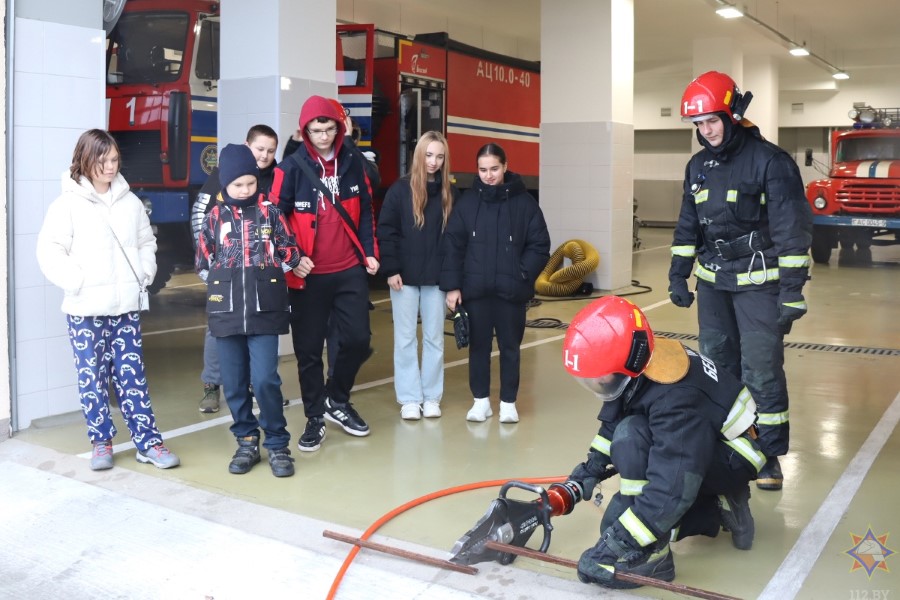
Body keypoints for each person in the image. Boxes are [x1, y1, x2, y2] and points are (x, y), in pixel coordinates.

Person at [669, 71, 812, 491]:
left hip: (760, 285)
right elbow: (687, 226)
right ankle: (727, 445)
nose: (706, 131)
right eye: (698, 123)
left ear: (732, 115)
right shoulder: (698, 166)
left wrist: (792, 292)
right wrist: (678, 274)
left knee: (761, 370)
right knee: (717, 368)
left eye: (712, 120)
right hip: (714, 285)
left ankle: (767, 455)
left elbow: (792, 231)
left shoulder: (771, 162)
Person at [562, 296, 763, 590]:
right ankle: (707, 507)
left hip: (735, 456)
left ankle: (659, 554)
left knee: (636, 446)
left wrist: (619, 543)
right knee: (628, 435)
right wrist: (589, 470)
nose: (598, 384)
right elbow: (614, 421)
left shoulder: (677, 399)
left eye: (601, 377)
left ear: (630, 361)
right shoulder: (643, 365)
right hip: (707, 442)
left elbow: (672, 485)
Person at [36, 128, 180, 471]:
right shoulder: (66, 205)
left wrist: (144, 273)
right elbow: (49, 251)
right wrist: (77, 282)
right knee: (92, 379)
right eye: (102, 161)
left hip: (125, 308)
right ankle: (101, 442)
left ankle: (149, 443)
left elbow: (147, 242)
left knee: (133, 379)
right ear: (85, 161)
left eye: (114, 159)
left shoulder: (131, 203)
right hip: (85, 310)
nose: (110, 167)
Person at [271, 95, 380, 452]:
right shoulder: (290, 168)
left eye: (329, 129)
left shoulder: (354, 163)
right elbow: (273, 219)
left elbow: (366, 210)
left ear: (339, 127)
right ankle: (315, 417)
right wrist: (292, 257)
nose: (322, 136)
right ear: (304, 131)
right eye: (316, 130)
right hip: (308, 276)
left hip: (348, 269)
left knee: (358, 340)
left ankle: (337, 398)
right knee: (308, 351)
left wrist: (369, 252)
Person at [196, 144, 302, 477]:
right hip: (225, 312)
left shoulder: (271, 213)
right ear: (225, 185)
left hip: (264, 311)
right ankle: (246, 440)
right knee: (234, 383)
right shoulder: (214, 217)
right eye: (237, 185)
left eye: (250, 183)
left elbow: (291, 253)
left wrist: (268, 276)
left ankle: (277, 443)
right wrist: (226, 283)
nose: (245, 190)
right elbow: (203, 263)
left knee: (265, 379)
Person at [440, 143, 550, 423]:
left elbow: (539, 245)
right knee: (478, 348)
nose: (488, 175)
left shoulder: (525, 203)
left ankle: (508, 403)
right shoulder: (467, 203)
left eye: (494, 169)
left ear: (505, 166)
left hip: (510, 293)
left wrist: (521, 274)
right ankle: (480, 402)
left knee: (510, 348)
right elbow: (453, 245)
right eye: (482, 170)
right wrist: (453, 286)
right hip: (475, 292)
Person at [191, 125, 280, 413]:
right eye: (259, 149)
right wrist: (212, 268)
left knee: (259, 326)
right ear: (247, 146)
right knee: (219, 328)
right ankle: (212, 384)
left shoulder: (275, 176)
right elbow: (201, 217)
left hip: (259, 274)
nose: (264, 155)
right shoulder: (225, 174)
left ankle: (257, 386)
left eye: (270, 150)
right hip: (224, 271)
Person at [378, 131, 458, 420]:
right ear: (419, 155)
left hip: (437, 279)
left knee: (435, 339)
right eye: (429, 155)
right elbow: (386, 231)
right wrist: (391, 269)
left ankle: (432, 396)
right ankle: (410, 398)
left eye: (439, 156)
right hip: (404, 278)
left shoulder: (450, 194)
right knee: (405, 339)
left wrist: (452, 281)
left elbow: (456, 241)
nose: (433, 162)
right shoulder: (399, 191)